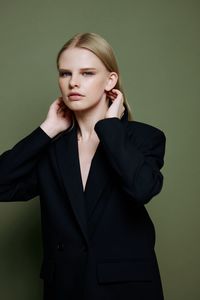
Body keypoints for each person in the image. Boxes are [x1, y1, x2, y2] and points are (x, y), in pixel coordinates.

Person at [0, 33, 166, 300]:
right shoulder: (52, 148)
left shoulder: (144, 138)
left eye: (87, 73)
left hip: (126, 289)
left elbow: (142, 189)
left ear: (110, 81)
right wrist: (47, 130)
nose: (73, 83)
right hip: (65, 288)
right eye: (65, 74)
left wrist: (110, 127)